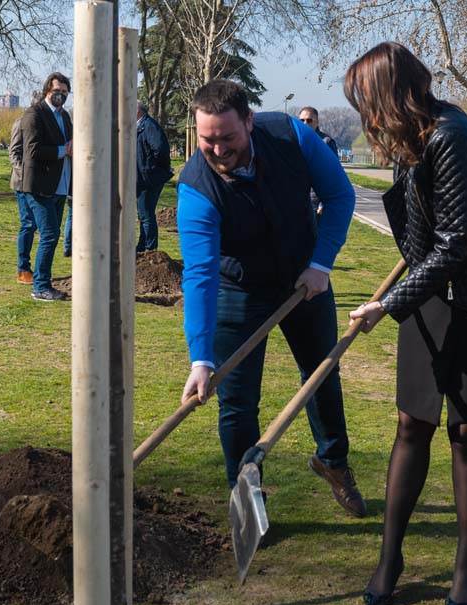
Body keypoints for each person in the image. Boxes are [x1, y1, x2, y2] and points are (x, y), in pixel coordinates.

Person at [344, 42, 467, 605]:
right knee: (412, 422)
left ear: (392, 96)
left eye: (367, 103)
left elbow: (455, 245)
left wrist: (387, 305)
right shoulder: (412, 139)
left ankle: (466, 565)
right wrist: (407, 285)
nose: (366, 117)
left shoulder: (454, 138)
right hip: (437, 284)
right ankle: (389, 558)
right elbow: (427, 236)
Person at [177, 79, 366, 517]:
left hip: (304, 275)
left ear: (249, 121)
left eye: (227, 138)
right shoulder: (197, 189)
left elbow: (340, 196)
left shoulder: (291, 135)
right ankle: (246, 499)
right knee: (237, 402)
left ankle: (332, 461)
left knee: (321, 373)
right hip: (238, 288)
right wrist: (201, 358)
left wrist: (321, 264)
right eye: (207, 140)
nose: (218, 150)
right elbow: (200, 275)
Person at [19, 72, 73, 301]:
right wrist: (64, 150)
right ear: (46, 91)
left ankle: (44, 282)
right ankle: (40, 286)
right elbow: (32, 150)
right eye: (56, 91)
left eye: (65, 92)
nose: (61, 95)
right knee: (49, 235)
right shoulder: (34, 114)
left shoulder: (65, 117)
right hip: (39, 186)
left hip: (60, 186)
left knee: (53, 234)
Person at [135, 104, 173, 253]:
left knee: (146, 213)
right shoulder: (141, 126)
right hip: (144, 177)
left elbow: (161, 149)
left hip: (149, 178)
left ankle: (149, 248)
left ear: (137, 110)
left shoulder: (149, 126)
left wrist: (150, 169)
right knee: (143, 213)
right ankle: (143, 245)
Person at [9, 114, 38, 284]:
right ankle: (23, 269)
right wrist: (25, 176)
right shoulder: (20, 122)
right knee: (28, 224)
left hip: (38, 183)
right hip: (22, 183)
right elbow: (14, 153)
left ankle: (32, 269)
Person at [297, 106, 338, 214]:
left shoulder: (326, 142)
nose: (305, 123)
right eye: (302, 120)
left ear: (317, 122)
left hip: (316, 204)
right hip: (297, 201)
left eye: (309, 120)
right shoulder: (294, 141)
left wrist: (323, 203)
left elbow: (333, 174)